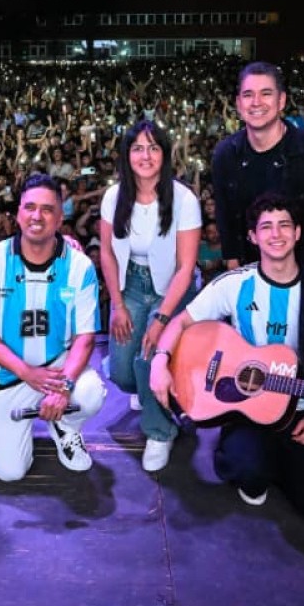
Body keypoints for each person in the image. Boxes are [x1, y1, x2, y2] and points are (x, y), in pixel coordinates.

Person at [148, 193, 304, 532]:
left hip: (299, 407)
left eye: (284, 225)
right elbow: (180, 323)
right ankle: (256, 459)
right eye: (266, 227)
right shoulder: (235, 283)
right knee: (248, 471)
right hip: (243, 404)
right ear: (253, 236)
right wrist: (159, 361)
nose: (276, 234)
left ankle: (280, 461)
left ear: (298, 232)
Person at [0, 173, 106, 482]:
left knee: (91, 392)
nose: (37, 216)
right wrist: (27, 373)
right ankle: (23, 430)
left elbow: (85, 337)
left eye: (47, 209)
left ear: (60, 217)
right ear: (17, 214)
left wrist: (65, 386)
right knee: (9, 473)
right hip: (8, 373)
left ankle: (65, 426)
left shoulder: (80, 265)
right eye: (30, 207)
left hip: (56, 367)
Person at [97, 120, 201, 472]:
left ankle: (160, 431)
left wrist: (161, 318)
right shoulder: (114, 196)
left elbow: (186, 267)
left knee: (147, 357)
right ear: (127, 155)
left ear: (165, 154)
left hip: (172, 288)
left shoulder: (184, 199)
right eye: (138, 148)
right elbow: (108, 253)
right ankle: (149, 389)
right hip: (129, 285)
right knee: (124, 375)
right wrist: (117, 304)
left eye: (153, 147)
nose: (145, 155)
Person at [210, 62, 304, 279]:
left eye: (266, 93)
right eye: (248, 94)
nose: (256, 103)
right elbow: (226, 219)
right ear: (239, 104)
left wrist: (302, 283)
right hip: (250, 275)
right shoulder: (226, 154)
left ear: (281, 101)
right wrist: (236, 275)